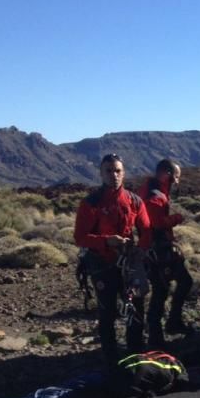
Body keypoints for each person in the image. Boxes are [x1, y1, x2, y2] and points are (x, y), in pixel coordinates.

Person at [74, 153, 152, 368]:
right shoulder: (91, 203)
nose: (114, 175)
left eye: (117, 170)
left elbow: (146, 230)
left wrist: (140, 251)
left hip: (128, 265)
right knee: (107, 311)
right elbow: (80, 237)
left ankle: (136, 356)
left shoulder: (135, 200)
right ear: (101, 173)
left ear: (123, 173)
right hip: (102, 264)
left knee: (135, 307)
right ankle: (111, 359)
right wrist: (106, 241)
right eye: (108, 171)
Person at [140, 158, 194, 348]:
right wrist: (176, 219)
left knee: (171, 286)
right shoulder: (155, 196)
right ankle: (159, 334)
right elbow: (156, 223)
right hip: (158, 251)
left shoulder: (152, 190)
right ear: (167, 174)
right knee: (162, 290)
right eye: (176, 177)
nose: (177, 181)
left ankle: (168, 326)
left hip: (156, 249)